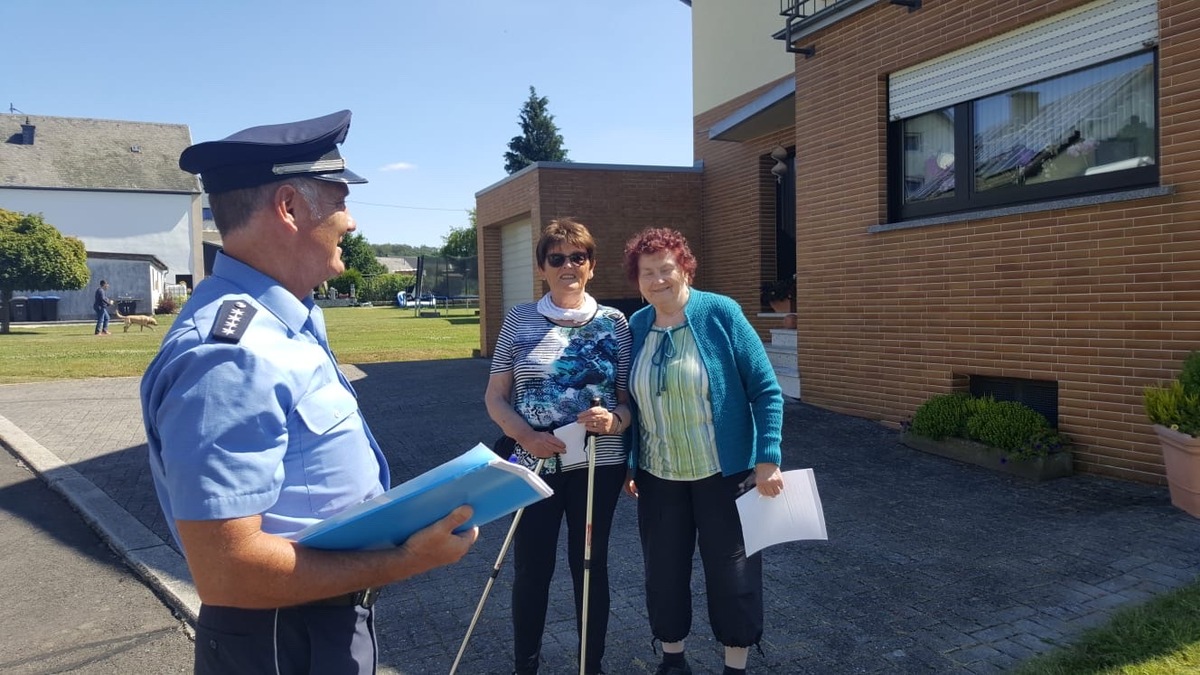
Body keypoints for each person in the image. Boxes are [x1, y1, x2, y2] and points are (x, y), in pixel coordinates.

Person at [140, 110, 478, 674]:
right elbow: (229, 573)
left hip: (312, 625)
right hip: (281, 638)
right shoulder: (230, 354)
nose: (350, 221)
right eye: (340, 198)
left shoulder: (283, 321)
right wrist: (403, 561)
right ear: (290, 207)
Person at [621, 227, 785, 675]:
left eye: (665, 269)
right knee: (664, 574)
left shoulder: (720, 312)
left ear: (685, 268)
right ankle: (673, 660)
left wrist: (767, 457)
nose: (657, 280)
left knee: (733, 577)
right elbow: (629, 401)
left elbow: (766, 390)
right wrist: (633, 461)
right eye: (646, 273)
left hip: (724, 475)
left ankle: (736, 664)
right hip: (659, 477)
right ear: (636, 280)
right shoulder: (635, 327)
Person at [483, 219, 632, 675]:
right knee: (532, 569)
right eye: (557, 258)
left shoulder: (614, 323)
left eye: (578, 257)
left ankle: (592, 665)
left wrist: (613, 421)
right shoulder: (519, 319)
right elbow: (494, 397)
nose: (568, 265)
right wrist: (525, 436)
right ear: (543, 268)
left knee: (590, 566)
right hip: (533, 464)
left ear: (591, 266)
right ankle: (525, 665)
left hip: (597, 467)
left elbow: (628, 403)